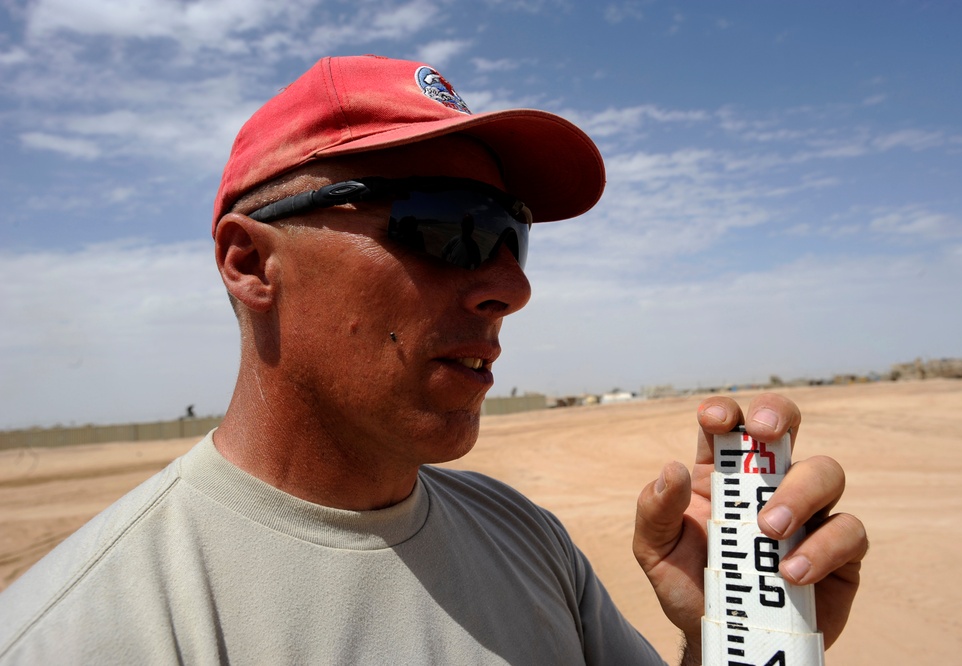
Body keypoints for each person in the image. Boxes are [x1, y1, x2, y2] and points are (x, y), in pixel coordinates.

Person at [0, 55, 867, 665]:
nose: (509, 289)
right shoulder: (88, 633)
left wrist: (736, 644)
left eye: (512, 237)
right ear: (252, 263)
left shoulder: (525, 539)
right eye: (449, 229)